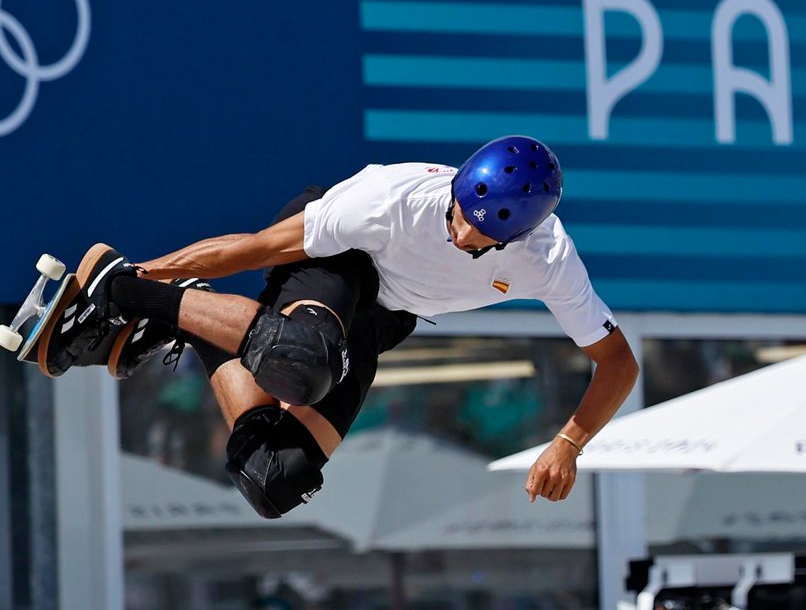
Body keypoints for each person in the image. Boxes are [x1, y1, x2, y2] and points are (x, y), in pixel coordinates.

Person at [41, 135, 639, 518]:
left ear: (521, 236)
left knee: (276, 481)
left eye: (479, 236)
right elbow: (256, 250)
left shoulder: (550, 258)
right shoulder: (388, 197)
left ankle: (194, 318)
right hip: (337, 264)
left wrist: (568, 444)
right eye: (457, 213)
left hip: (384, 317)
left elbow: (618, 362)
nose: (458, 235)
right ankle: (132, 291)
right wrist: (136, 276)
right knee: (303, 364)